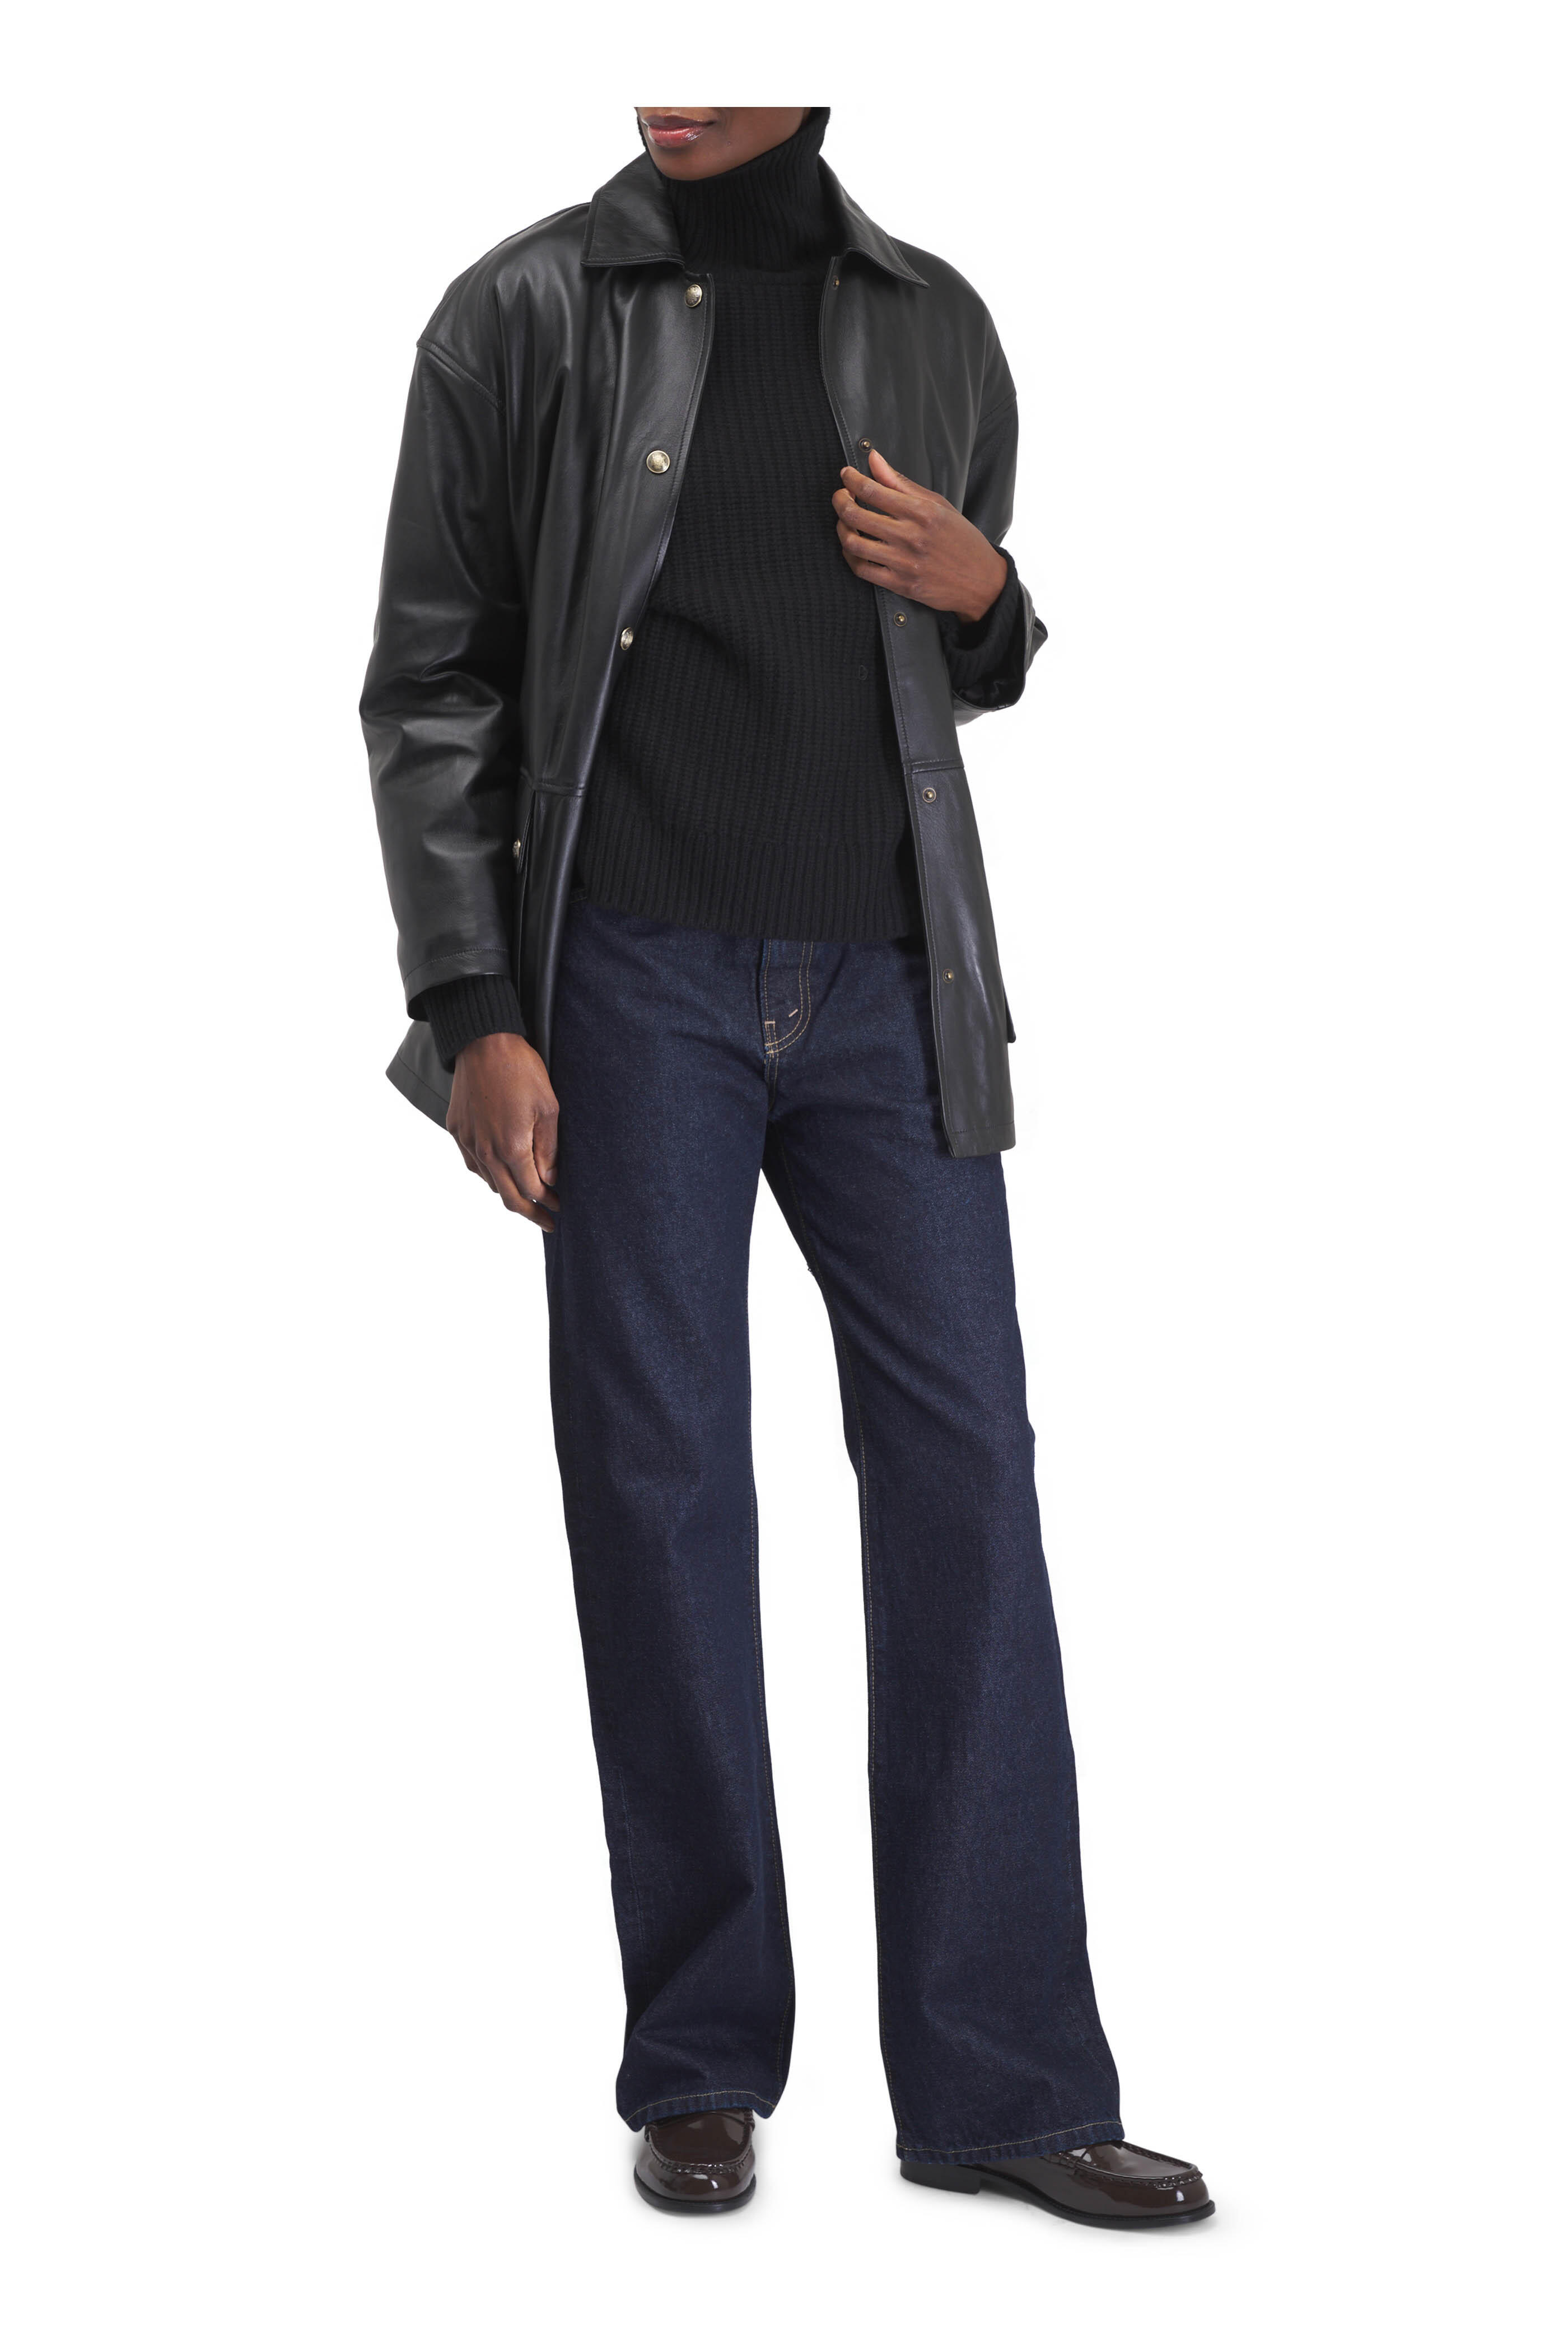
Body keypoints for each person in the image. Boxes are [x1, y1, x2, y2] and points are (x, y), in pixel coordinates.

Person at [363, 104, 1212, 2228]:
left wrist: (997, 601)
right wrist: (475, 1003)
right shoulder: (518, 313)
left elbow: (943, 664)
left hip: (892, 981)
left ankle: (1005, 2082)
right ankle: (700, 2064)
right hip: (627, 977)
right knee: (659, 1499)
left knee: (969, 1481)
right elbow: (434, 679)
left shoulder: (936, 324)